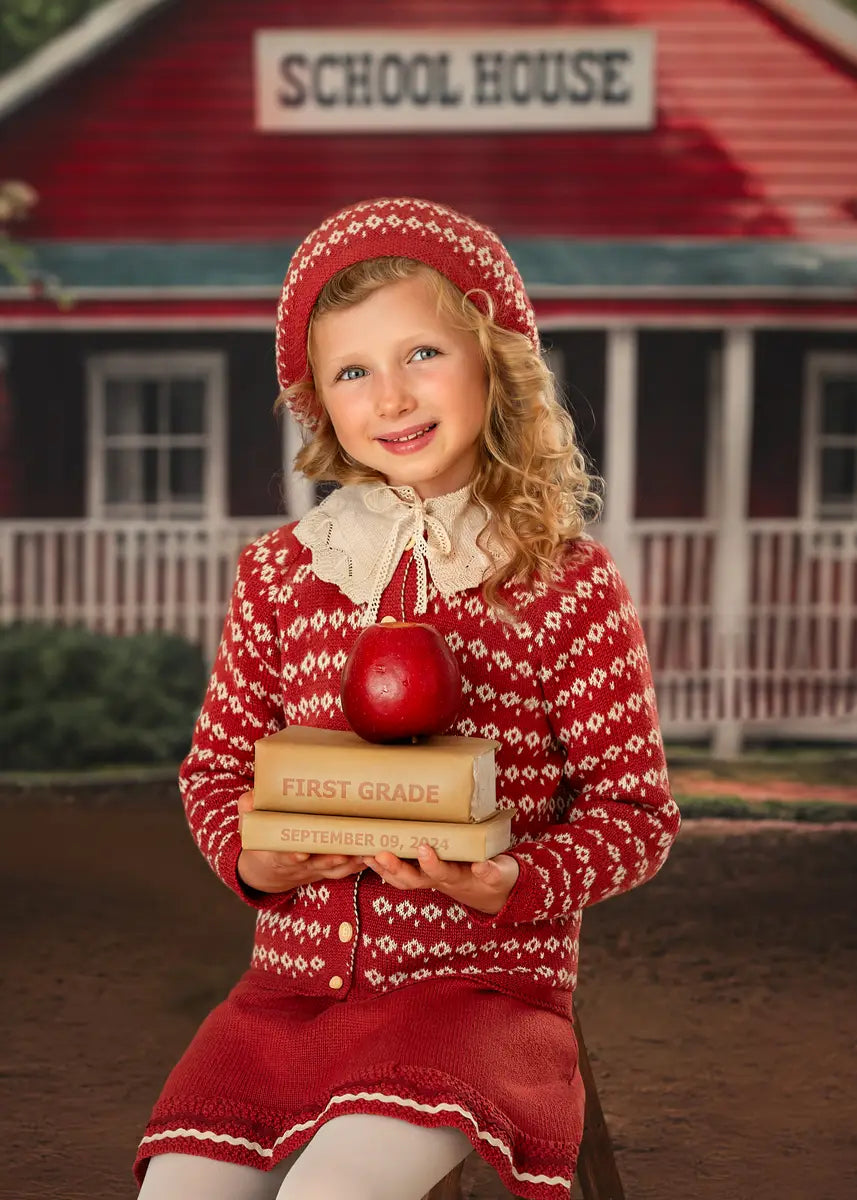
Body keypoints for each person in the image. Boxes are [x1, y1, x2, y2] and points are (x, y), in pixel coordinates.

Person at [135, 196, 681, 1200]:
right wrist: (250, 858)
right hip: (287, 997)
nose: (389, 397)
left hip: (475, 997)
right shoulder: (280, 574)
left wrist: (510, 880)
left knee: (329, 1195)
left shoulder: (561, 583)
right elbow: (216, 771)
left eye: (420, 354)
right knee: (179, 1193)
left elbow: (635, 816)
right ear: (320, 404)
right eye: (352, 371)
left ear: (493, 362)